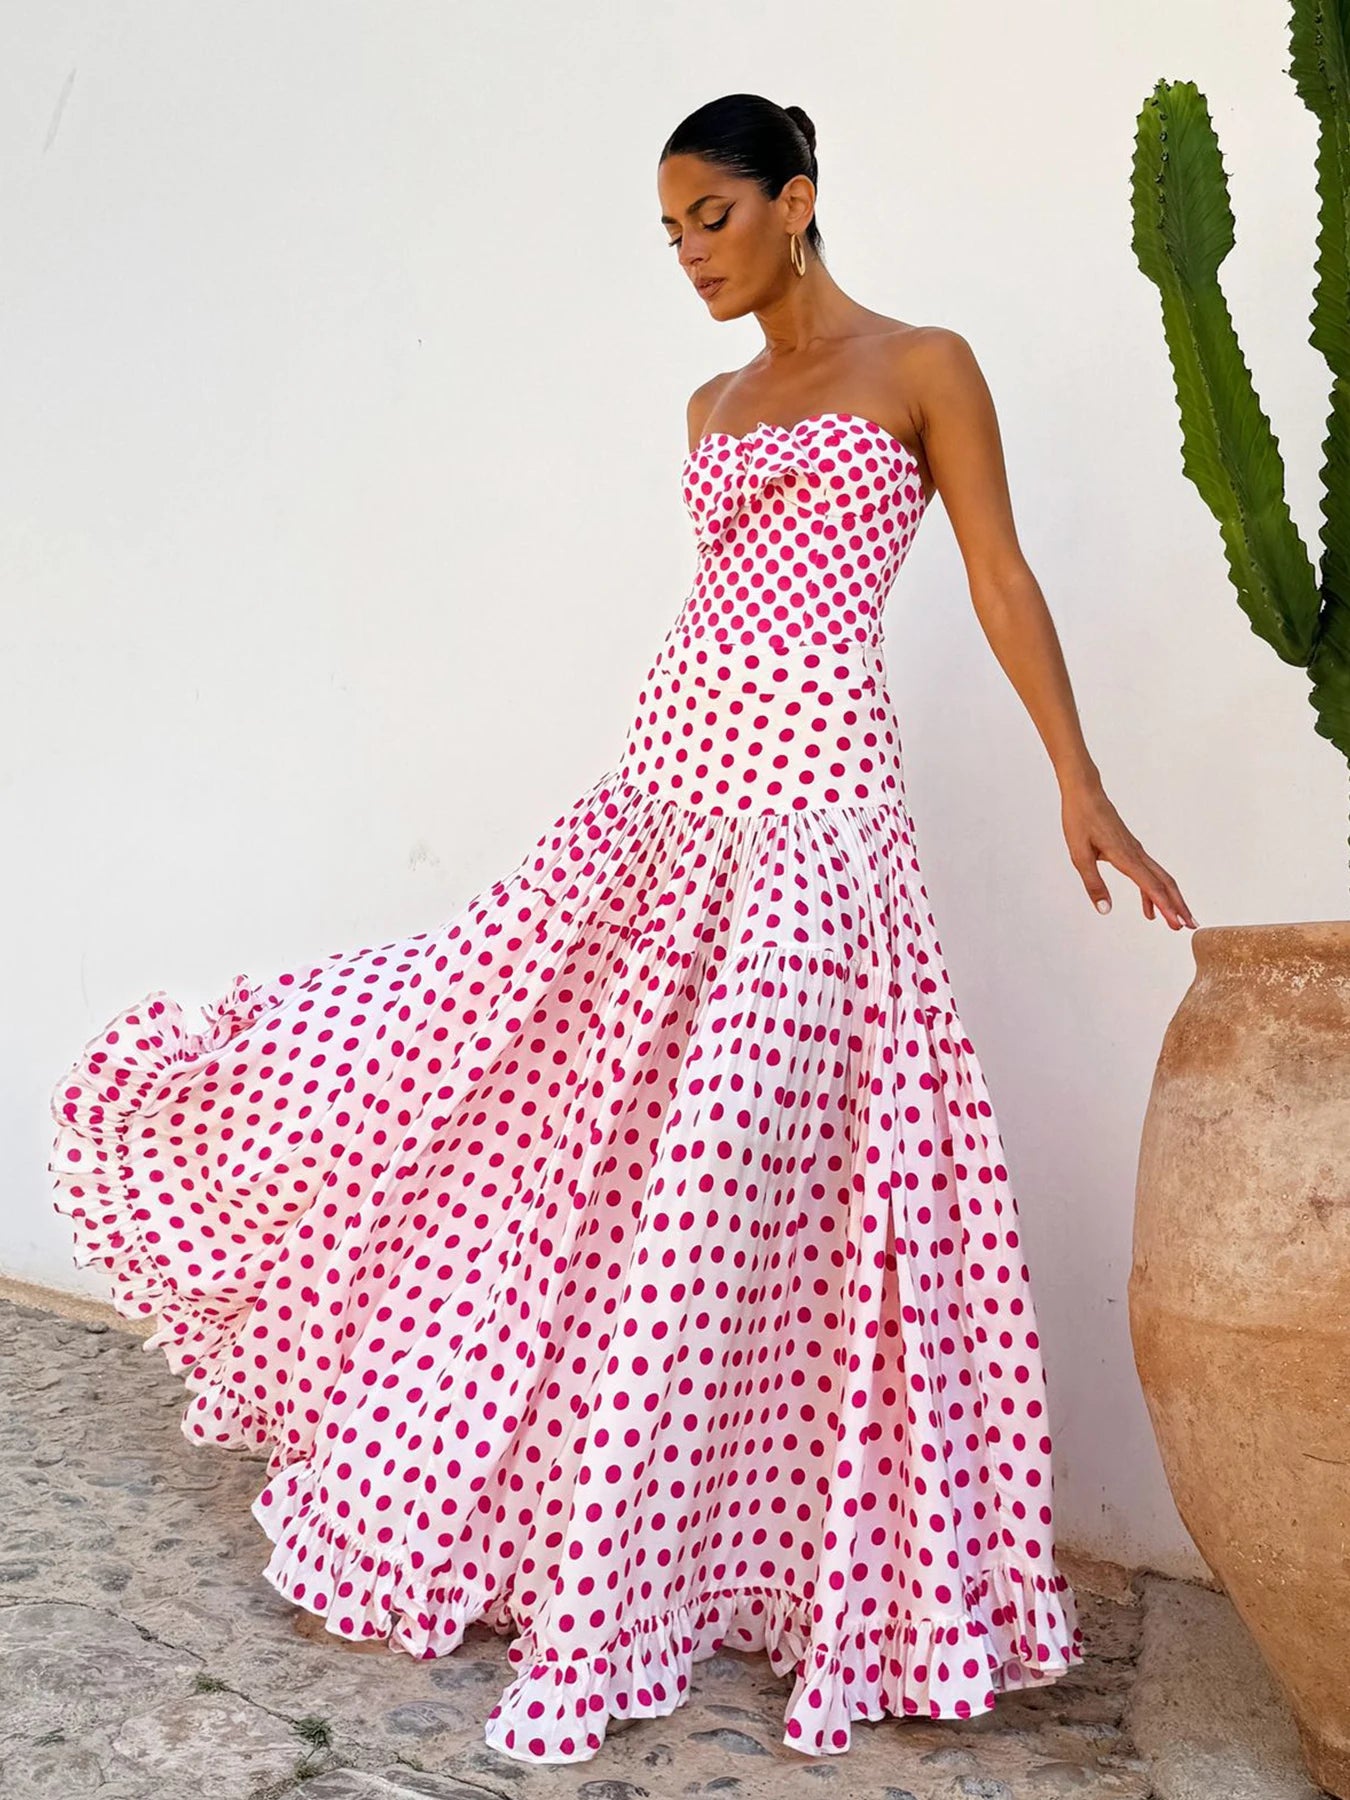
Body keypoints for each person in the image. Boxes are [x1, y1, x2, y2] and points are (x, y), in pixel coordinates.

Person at [48, 92, 1195, 1768]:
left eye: (709, 219)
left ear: (795, 202)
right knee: (539, 1110)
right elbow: (720, 608)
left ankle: (722, 1570)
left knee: (744, 1192)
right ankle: (581, 1549)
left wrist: (1075, 784)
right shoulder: (711, 401)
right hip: (661, 802)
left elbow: (997, 581)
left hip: (814, 826)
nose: (687, 255)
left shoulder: (920, 364)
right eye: (667, 231)